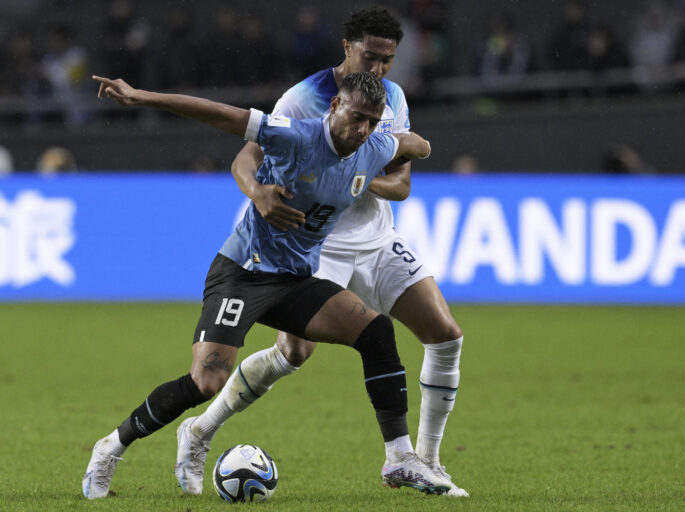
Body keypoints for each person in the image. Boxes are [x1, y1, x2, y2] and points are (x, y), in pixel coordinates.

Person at [82, 71, 451, 499]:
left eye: (371, 121)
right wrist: (141, 96)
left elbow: (411, 144)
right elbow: (219, 114)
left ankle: (401, 457)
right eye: (355, 118)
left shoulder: (373, 146)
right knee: (205, 382)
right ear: (334, 107)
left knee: (375, 331)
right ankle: (111, 447)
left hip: (295, 280)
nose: (362, 130)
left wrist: (422, 146)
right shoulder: (293, 136)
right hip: (243, 273)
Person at [175, 7, 467, 498]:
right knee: (294, 352)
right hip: (317, 242)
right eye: (370, 57)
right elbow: (248, 155)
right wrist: (259, 193)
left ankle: (425, 461)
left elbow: (401, 182)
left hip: (375, 238)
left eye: (387, 61)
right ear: (347, 48)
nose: (377, 69)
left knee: (446, 335)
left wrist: (351, 175)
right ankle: (200, 430)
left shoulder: (390, 98)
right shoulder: (303, 99)